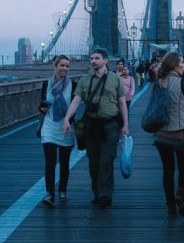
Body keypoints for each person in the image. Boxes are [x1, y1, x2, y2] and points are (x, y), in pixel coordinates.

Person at [62, 48, 129, 208]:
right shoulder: (85, 80)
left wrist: (125, 124)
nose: (93, 61)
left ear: (105, 61)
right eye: (91, 58)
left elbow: (122, 102)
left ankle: (105, 195)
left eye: (97, 58)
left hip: (110, 124)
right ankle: (97, 193)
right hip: (91, 125)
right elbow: (76, 101)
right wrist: (67, 118)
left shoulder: (115, 79)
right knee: (93, 162)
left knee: (107, 160)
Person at [152, 52, 184, 218]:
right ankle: (180, 195)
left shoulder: (157, 83)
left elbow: (154, 106)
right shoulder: (183, 83)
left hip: (162, 135)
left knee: (168, 170)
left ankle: (170, 207)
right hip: (182, 134)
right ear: (174, 65)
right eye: (181, 63)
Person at [38, 55, 77, 208]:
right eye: (62, 65)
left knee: (65, 162)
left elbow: (75, 105)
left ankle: (62, 190)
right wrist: (42, 108)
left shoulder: (73, 85)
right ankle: (50, 194)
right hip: (49, 126)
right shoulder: (46, 84)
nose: (64, 69)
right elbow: (41, 104)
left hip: (66, 127)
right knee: (50, 162)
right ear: (55, 66)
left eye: (67, 66)